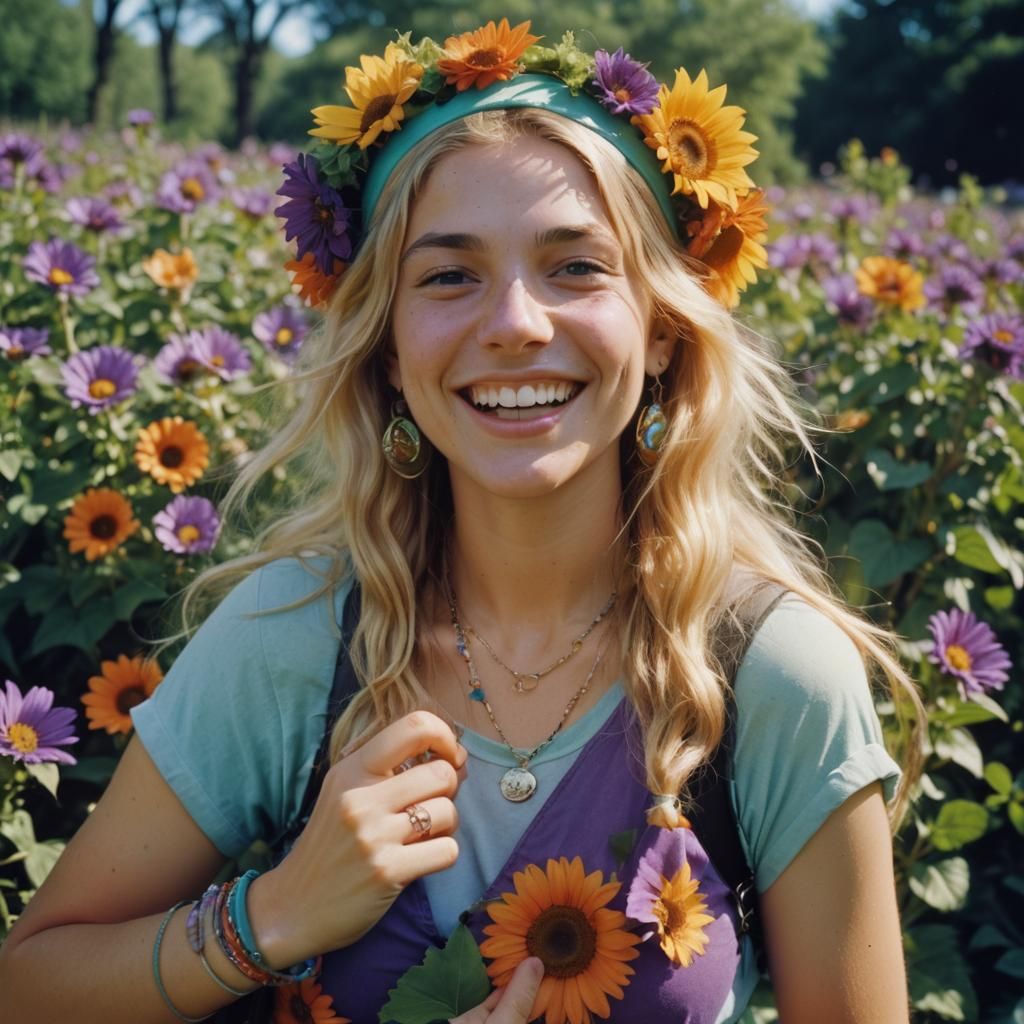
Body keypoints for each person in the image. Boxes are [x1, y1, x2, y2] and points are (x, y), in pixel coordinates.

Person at [0, 20, 923, 1024]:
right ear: (389, 348)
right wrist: (268, 917)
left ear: (659, 330)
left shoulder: (769, 675)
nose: (516, 322)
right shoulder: (296, 640)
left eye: (576, 267)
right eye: (448, 275)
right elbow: (30, 984)